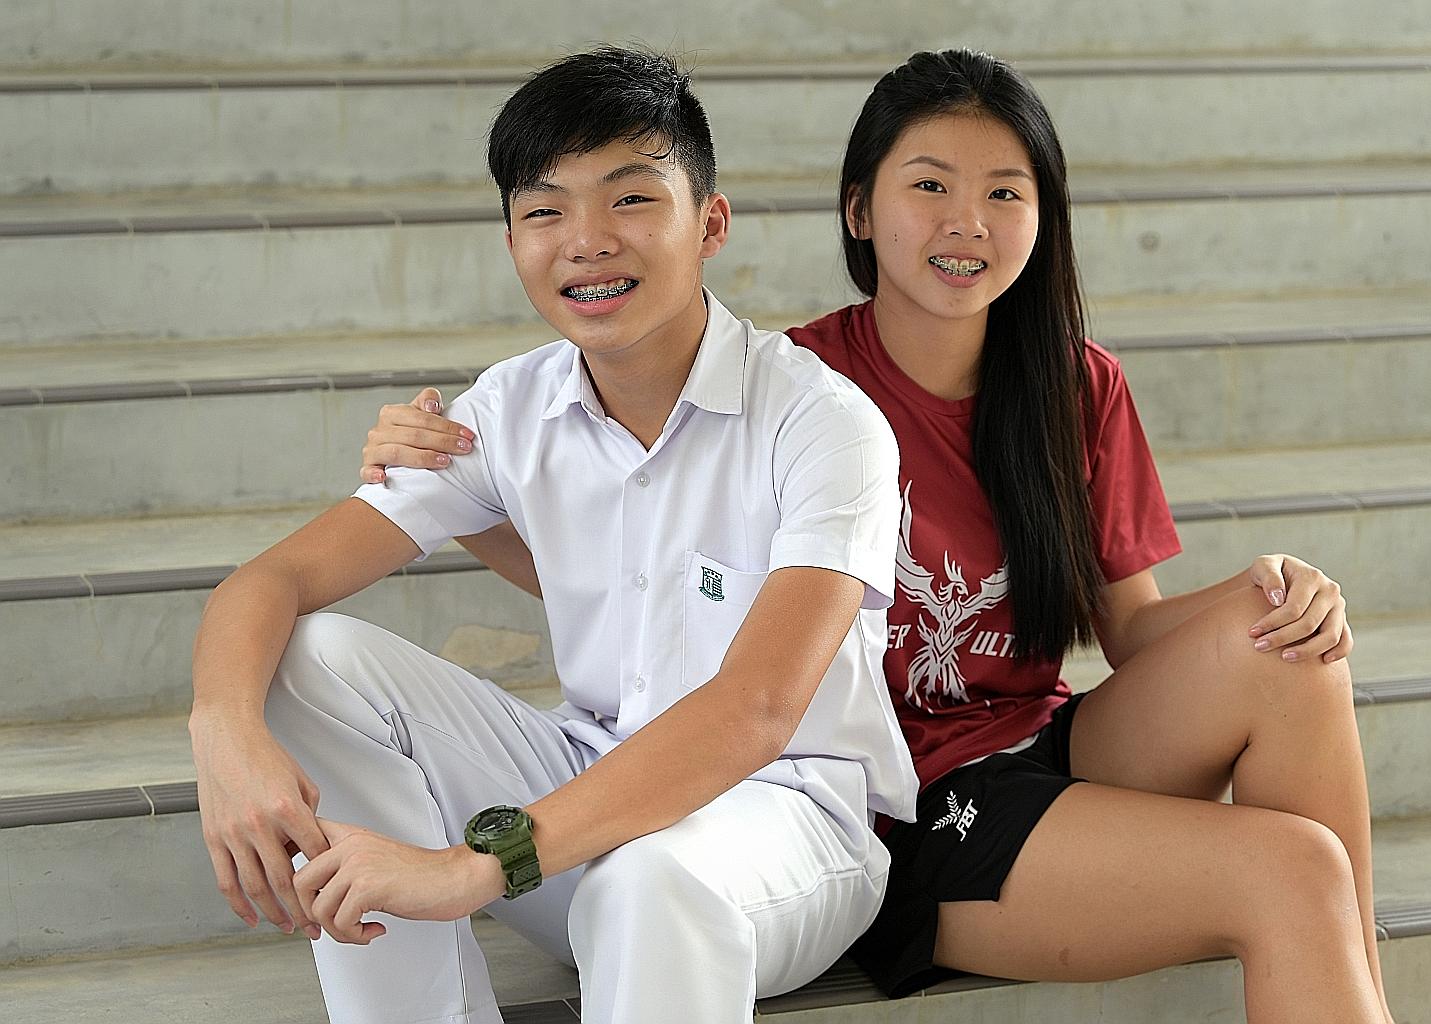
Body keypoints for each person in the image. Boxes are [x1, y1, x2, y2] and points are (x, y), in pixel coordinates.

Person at [359, 50, 1395, 1023]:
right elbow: (648, 578)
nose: (967, 222)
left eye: (1005, 193)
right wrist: (445, 483)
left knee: (1294, 651)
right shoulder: (798, 397)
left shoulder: (1077, 385)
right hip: (898, 802)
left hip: (1042, 742)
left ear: (1043, 217)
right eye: (930, 185)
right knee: (1290, 866)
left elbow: (1135, 633)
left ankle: (1351, 983)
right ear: (859, 209)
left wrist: (1278, 593)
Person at [190, 47, 920, 1024]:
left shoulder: (824, 423)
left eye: (630, 200)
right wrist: (223, 730)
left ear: (710, 223)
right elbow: (271, 580)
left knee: (650, 882)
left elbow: (755, 711)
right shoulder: (509, 410)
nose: (586, 241)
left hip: (783, 828)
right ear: (512, 241)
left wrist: (472, 864)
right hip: (585, 793)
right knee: (307, 657)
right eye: (545, 211)